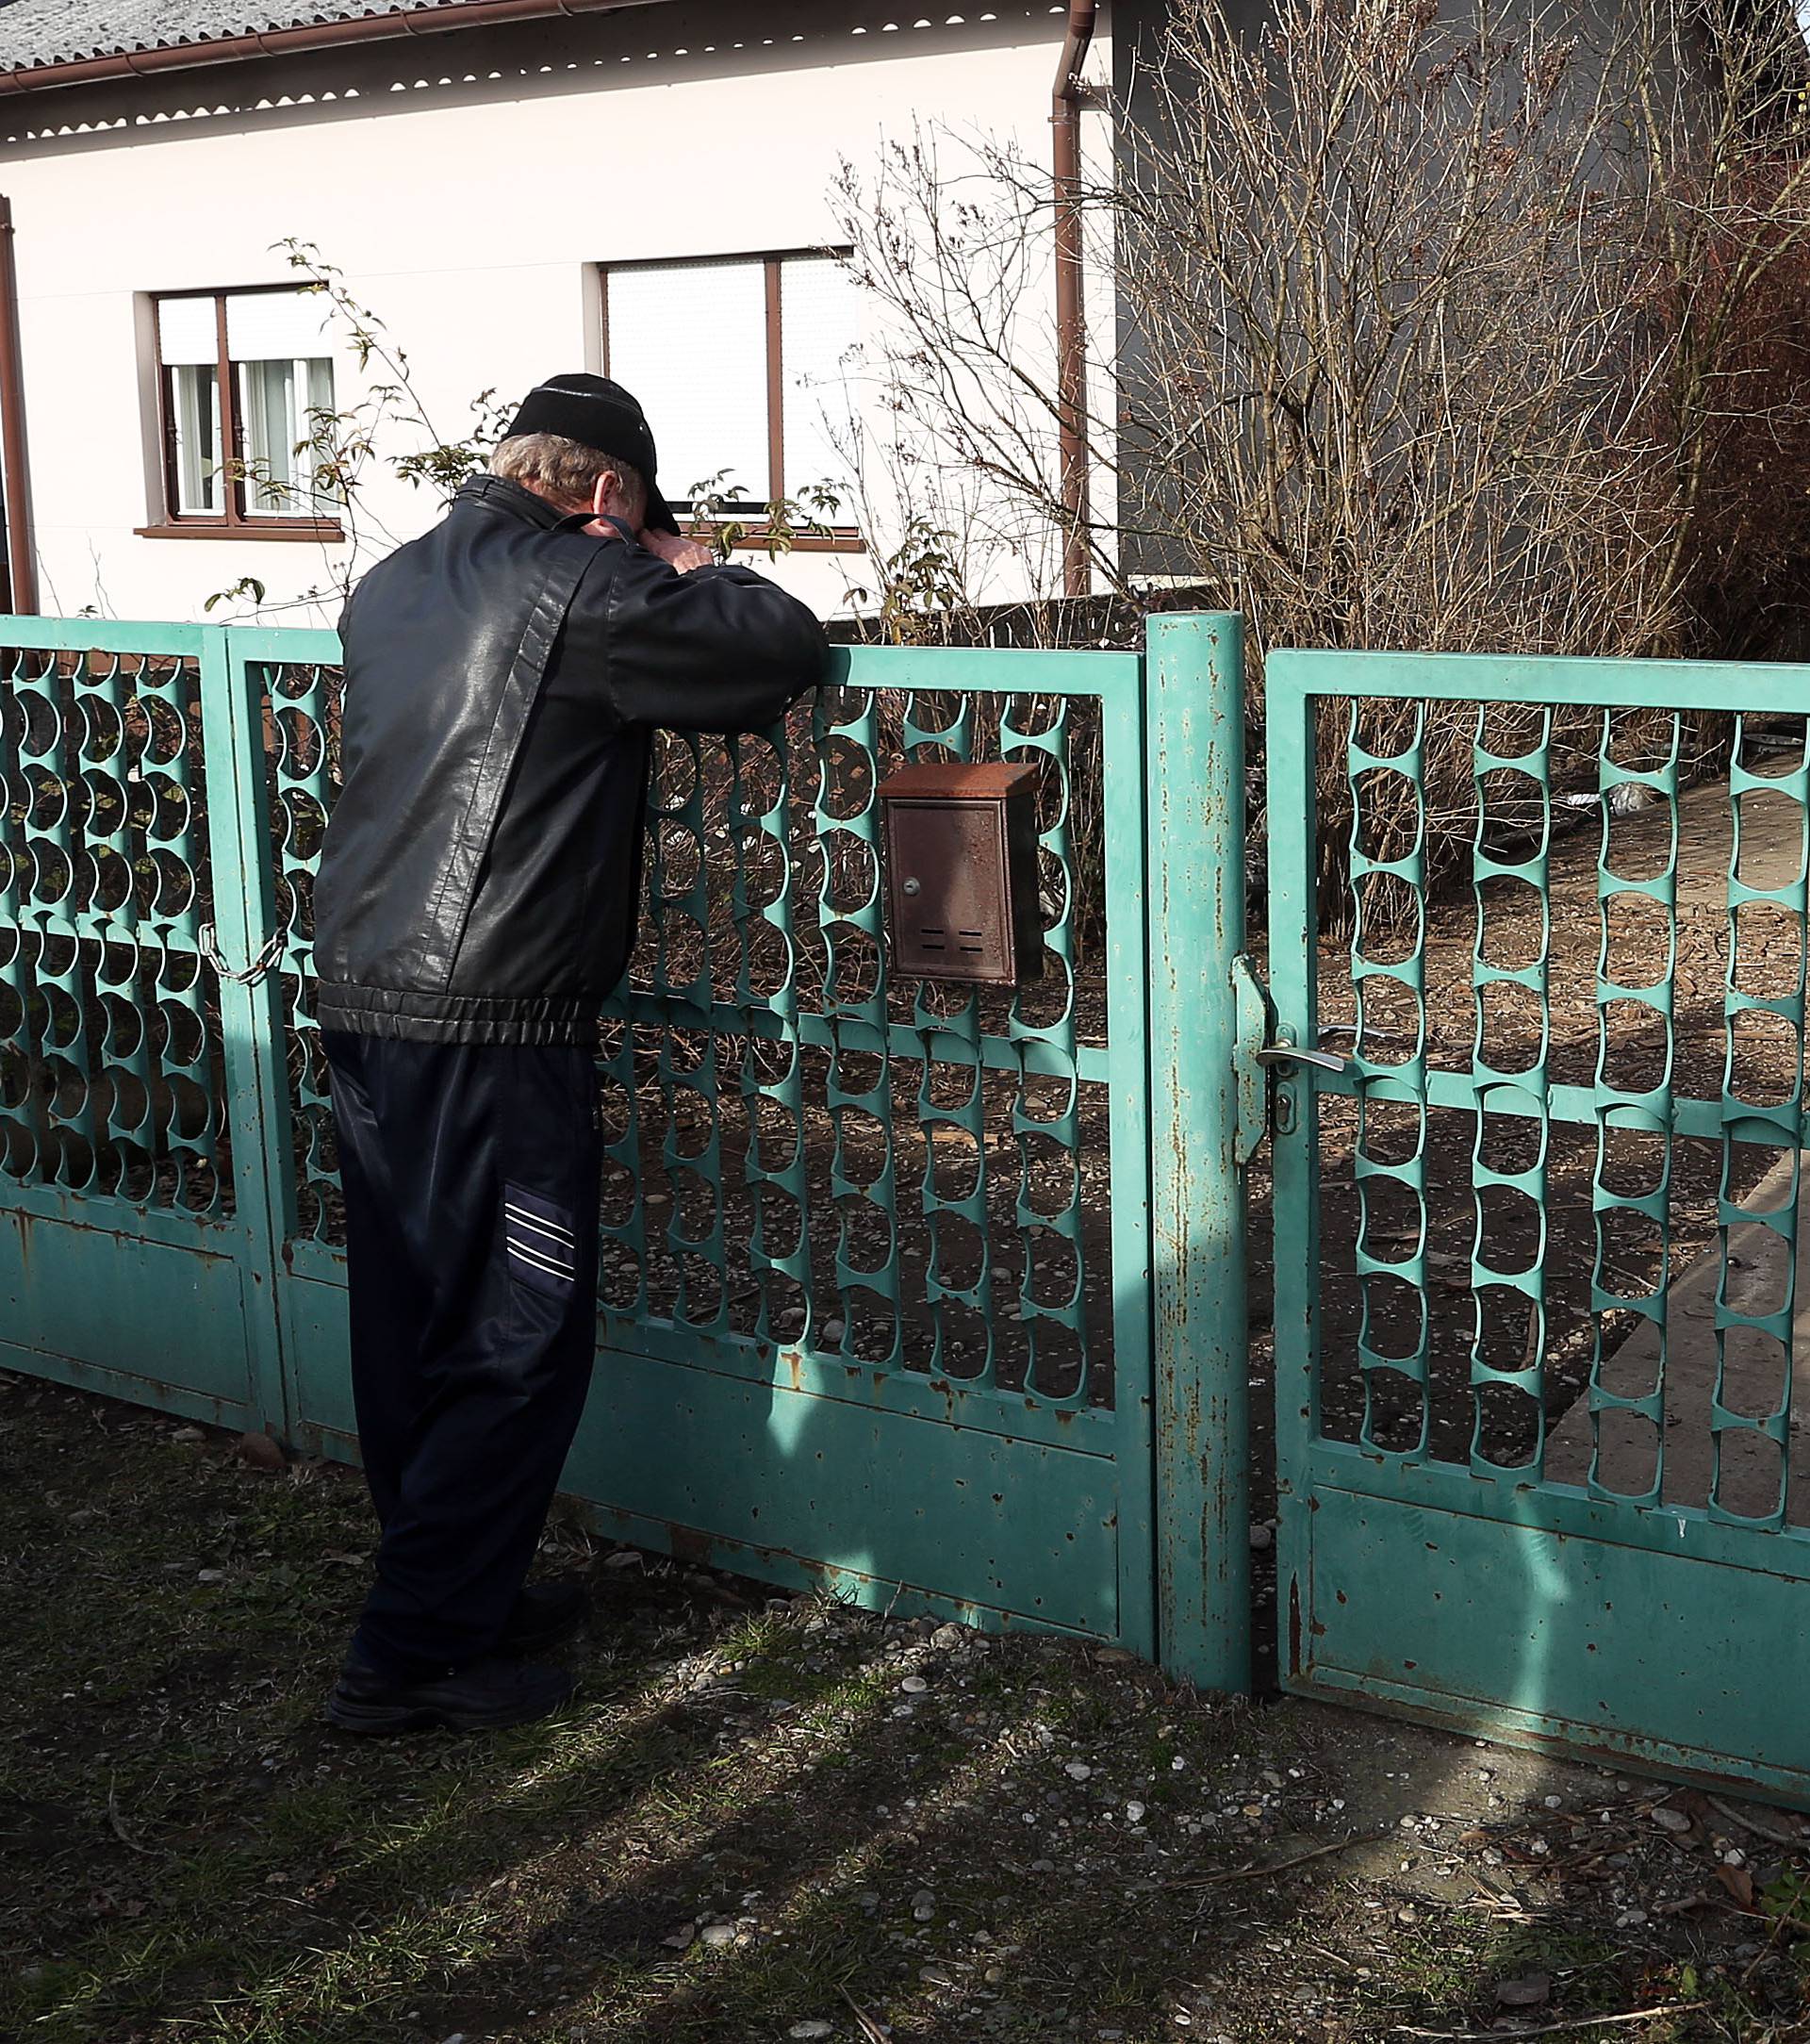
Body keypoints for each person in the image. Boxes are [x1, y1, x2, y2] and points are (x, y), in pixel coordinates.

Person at [310, 374, 830, 1734]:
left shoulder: (393, 580)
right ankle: (413, 1658)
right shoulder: (586, 589)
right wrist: (694, 561)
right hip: (494, 1024)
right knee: (514, 1336)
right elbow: (773, 646)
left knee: (409, 1322)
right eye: (639, 511)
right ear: (605, 493)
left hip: (365, 1000)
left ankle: (455, 1594)